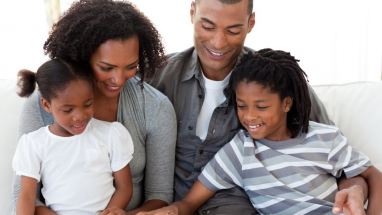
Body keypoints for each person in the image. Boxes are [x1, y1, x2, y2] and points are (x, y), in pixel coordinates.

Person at [149, 0, 369, 214]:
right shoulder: (158, 76)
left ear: (250, 23)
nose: (218, 42)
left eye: (233, 30)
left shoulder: (275, 81)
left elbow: (338, 162)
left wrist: (355, 190)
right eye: (207, 26)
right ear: (192, 13)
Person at [12, 0, 176, 214]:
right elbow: (24, 196)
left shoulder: (156, 108)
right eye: (107, 67)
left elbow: (160, 195)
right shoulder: (43, 103)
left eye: (131, 67)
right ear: (82, 55)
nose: (118, 79)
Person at [13, 59, 134, 215]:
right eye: (68, 110)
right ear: (46, 105)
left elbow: (125, 188)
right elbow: (27, 196)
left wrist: (112, 211)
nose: (79, 116)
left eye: (88, 104)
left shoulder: (111, 134)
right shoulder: (34, 143)